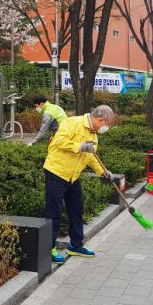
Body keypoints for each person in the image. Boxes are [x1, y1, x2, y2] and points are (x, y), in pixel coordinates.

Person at [43, 105, 115, 263]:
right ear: (101, 120)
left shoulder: (94, 134)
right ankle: (48, 249)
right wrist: (79, 146)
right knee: (54, 211)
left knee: (77, 210)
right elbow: (57, 142)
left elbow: (91, 157)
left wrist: (103, 171)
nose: (106, 128)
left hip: (73, 176)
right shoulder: (73, 123)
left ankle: (75, 245)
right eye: (106, 125)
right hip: (57, 172)